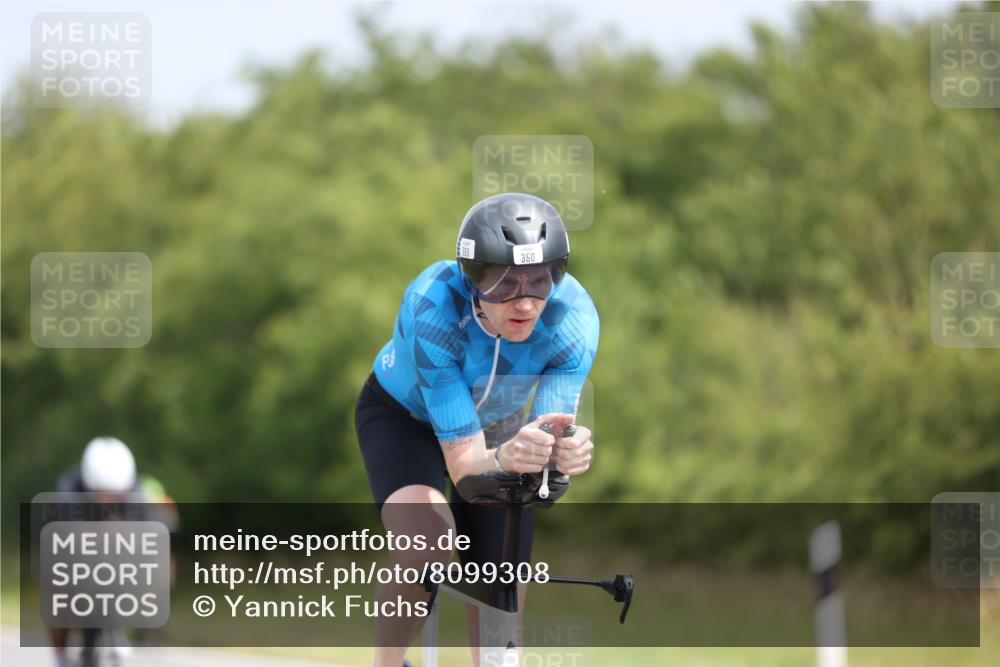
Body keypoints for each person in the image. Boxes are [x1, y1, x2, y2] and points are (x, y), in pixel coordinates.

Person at [355, 192, 599, 667]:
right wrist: (509, 459)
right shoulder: (432, 306)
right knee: (428, 544)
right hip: (406, 418)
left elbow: (545, 463)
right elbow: (467, 470)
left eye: (539, 281)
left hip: (499, 426)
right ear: (473, 279)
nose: (525, 302)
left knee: (500, 575)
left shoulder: (574, 320)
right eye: (505, 284)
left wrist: (561, 461)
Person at [50, 437, 143, 667]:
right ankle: (60, 655)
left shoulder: (135, 491)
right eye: (104, 494)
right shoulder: (68, 490)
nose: (110, 500)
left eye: (116, 495)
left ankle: (116, 626)